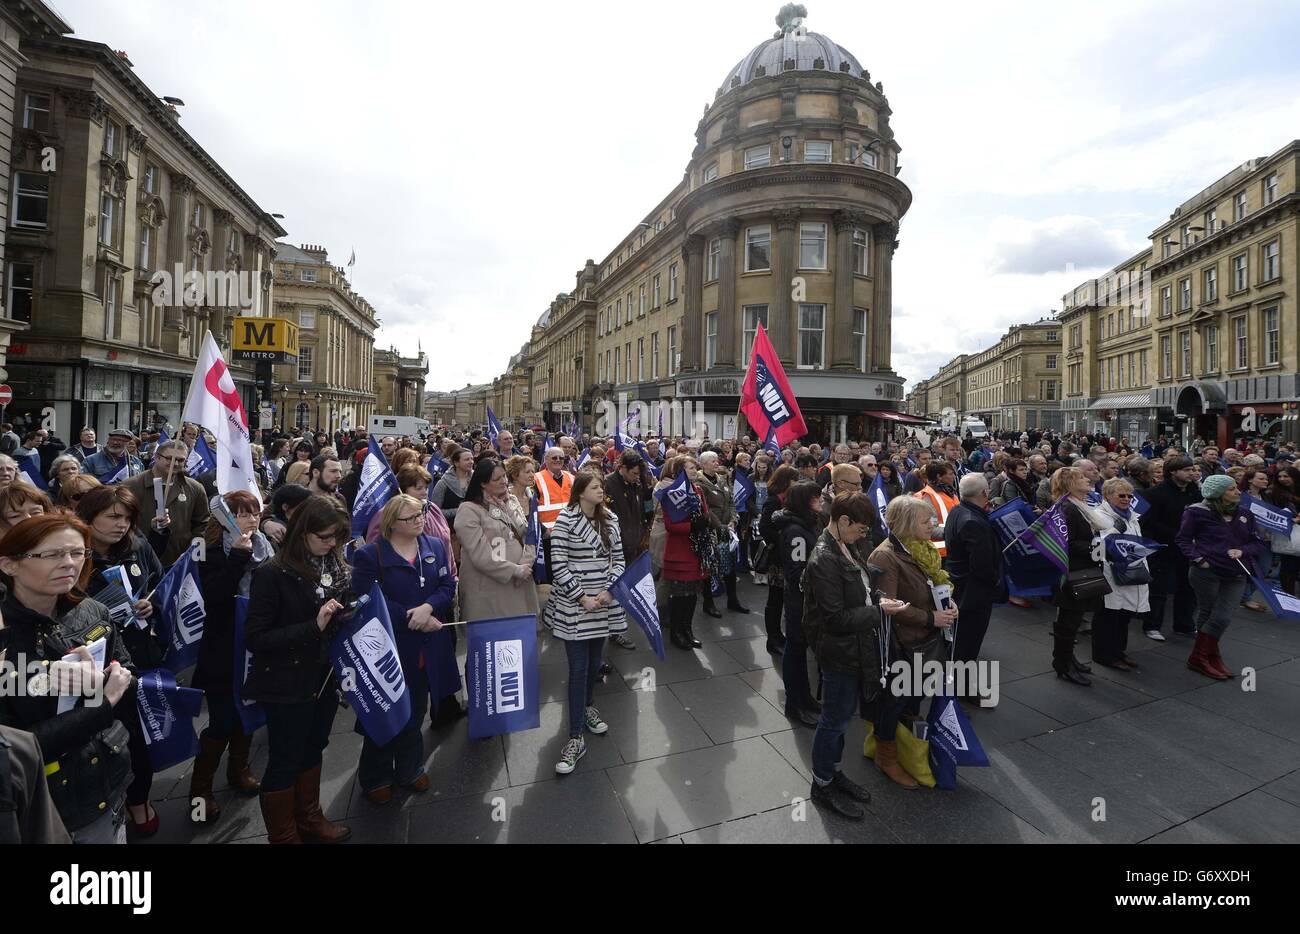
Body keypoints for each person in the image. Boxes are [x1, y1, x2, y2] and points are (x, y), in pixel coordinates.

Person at [0, 514, 136, 842]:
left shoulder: (92, 611)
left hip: (108, 783)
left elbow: (128, 678)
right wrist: (100, 704)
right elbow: (14, 749)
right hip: (43, 808)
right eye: (51, 555)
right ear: (9, 565)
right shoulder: (5, 642)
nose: (69, 564)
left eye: (77, 553)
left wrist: (109, 682)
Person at [244, 496, 354, 844]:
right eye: (325, 536)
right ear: (303, 531)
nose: (332, 543)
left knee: (314, 746)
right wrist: (314, 625)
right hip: (286, 683)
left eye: (337, 536)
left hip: (322, 678)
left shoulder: (332, 561)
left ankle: (309, 817)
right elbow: (256, 638)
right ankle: (284, 834)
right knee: (285, 759)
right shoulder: (271, 573)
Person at [351, 495, 456, 801]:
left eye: (420, 514)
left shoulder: (434, 546)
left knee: (417, 710)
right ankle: (375, 775)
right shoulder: (371, 555)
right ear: (391, 524)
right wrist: (414, 616)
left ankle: (410, 768)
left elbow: (447, 586)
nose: (419, 520)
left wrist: (429, 607)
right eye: (410, 518)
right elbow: (367, 599)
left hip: (428, 647)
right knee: (386, 712)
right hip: (390, 649)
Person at [188, 491, 270, 823]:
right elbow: (215, 597)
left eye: (256, 514)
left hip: (255, 647)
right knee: (222, 720)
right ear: (225, 519)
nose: (252, 520)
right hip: (222, 649)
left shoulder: (266, 550)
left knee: (247, 711)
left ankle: (239, 769)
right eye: (243, 514)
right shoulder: (207, 550)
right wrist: (237, 558)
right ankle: (199, 791)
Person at [867, 494, 955, 790]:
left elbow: (936, 584)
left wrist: (948, 603)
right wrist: (931, 618)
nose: (932, 524)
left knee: (912, 700)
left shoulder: (923, 548)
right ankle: (886, 757)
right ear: (905, 523)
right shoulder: (885, 555)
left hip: (924, 641)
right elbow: (888, 605)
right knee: (894, 703)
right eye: (925, 520)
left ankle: (909, 746)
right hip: (902, 645)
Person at [547, 472, 627, 775]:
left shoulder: (610, 519)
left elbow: (619, 559)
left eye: (601, 487)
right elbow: (559, 565)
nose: (600, 490)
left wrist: (607, 591)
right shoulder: (565, 521)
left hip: (604, 603)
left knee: (595, 665)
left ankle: (588, 706)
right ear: (580, 492)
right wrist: (583, 598)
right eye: (595, 487)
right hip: (575, 606)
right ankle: (574, 736)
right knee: (578, 669)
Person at [1177, 475, 1268, 680]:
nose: (1237, 492)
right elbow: (1183, 539)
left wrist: (1242, 550)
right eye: (1231, 489)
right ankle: (1209, 656)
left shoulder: (1245, 513)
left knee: (1222, 616)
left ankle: (1200, 656)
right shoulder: (1196, 511)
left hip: (1236, 573)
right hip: (1206, 572)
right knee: (1208, 613)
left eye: (1236, 488)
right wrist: (1199, 559)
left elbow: (1258, 543)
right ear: (1218, 493)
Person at [454, 458, 539, 623]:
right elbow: (480, 554)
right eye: (497, 479)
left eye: (504, 477)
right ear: (483, 483)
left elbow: (529, 534)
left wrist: (526, 564)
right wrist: (514, 570)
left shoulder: (512, 501)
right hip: (489, 589)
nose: (504, 482)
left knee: (520, 638)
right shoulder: (469, 510)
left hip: (520, 584)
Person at [1047, 467, 1108, 686]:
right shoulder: (1067, 508)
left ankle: (1067, 659)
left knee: (1072, 620)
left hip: (1082, 568)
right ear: (1069, 483)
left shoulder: (1079, 505)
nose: (1088, 479)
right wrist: (1098, 546)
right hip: (1073, 572)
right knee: (1068, 621)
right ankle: (1063, 664)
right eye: (1081, 477)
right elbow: (1069, 543)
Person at [943, 474, 1005, 685]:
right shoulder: (973, 521)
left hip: (960, 587)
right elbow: (982, 565)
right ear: (984, 493)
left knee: (961, 642)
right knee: (967, 644)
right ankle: (960, 689)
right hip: (973, 594)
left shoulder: (958, 510)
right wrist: (995, 580)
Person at [774, 480, 823, 727]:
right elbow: (796, 571)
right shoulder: (795, 531)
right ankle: (795, 704)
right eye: (816, 498)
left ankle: (805, 697)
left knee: (800, 653)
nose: (821, 501)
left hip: (804, 600)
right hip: (799, 602)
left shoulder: (805, 525)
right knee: (795, 653)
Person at [121, 438, 210, 566]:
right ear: (157, 457)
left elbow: (202, 524)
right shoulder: (131, 486)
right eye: (169, 458)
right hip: (139, 560)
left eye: (181, 460)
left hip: (179, 562)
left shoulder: (195, 488)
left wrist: (192, 553)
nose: (175, 463)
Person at [659, 454, 715, 650]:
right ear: (681, 471)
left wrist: (706, 521)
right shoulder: (671, 492)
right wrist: (693, 526)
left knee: (692, 594)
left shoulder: (698, 490)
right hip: (679, 551)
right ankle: (676, 632)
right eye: (691, 468)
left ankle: (688, 630)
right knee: (680, 595)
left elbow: (706, 513)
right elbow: (670, 525)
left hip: (696, 549)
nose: (695, 471)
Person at [1141, 455, 1200, 641]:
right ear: (1173, 472)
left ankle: (1184, 624)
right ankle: (1152, 625)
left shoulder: (1194, 491)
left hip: (1187, 548)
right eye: (1187, 470)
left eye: (1192, 470)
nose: (1192, 473)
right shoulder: (1156, 493)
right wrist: (1175, 534)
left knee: (1188, 587)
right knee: (1159, 589)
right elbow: (1149, 522)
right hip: (1163, 547)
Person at [1092, 477, 1147, 671]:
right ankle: (1103, 655)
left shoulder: (1131, 515)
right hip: (1110, 571)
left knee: (1125, 615)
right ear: (1107, 495)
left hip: (1131, 569)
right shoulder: (1098, 515)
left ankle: (1119, 652)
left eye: (1129, 495)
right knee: (1108, 616)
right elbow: (1097, 547)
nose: (1126, 499)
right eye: (1121, 495)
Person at [603, 450, 648, 650]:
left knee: (624, 590)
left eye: (639, 474)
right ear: (622, 468)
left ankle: (616, 629)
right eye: (634, 473)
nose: (637, 477)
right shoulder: (608, 484)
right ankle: (615, 632)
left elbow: (640, 511)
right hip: (615, 546)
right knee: (616, 591)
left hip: (633, 543)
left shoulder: (636, 484)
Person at [697, 451, 746, 616]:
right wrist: (721, 527)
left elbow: (731, 501)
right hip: (711, 530)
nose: (716, 463)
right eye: (712, 461)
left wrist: (733, 520)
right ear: (703, 464)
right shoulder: (699, 482)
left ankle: (733, 600)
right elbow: (706, 509)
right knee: (710, 566)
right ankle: (708, 602)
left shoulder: (722, 479)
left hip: (728, 529)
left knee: (730, 565)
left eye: (716, 461)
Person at [912, 461, 959, 558]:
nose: (954, 477)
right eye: (950, 474)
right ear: (939, 476)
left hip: (953, 549)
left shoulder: (950, 494)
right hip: (939, 554)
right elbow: (928, 529)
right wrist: (955, 532)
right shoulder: (926, 497)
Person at [431, 445, 475, 526]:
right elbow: (435, 511)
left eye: (472, 458)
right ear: (456, 463)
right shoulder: (443, 483)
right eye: (467, 459)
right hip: (450, 529)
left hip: (473, 526)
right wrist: (459, 510)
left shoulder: (476, 479)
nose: (471, 462)